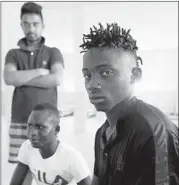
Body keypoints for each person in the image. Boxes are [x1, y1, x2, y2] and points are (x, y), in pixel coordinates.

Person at [80, 23, 179, 185]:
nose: (92, 84)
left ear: (135, 76)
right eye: (87, 75)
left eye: (106, 73)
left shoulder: (153, 131)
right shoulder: (102, 133)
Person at [3, 2, 64, 165]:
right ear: (21, 25)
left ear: (43, 25)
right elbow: (9, 78)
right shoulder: (13, 54)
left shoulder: (53, 52)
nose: (31, 29)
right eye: (26, 24)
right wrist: (38, 72)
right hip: (20, 121)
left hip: (47, 123)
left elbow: (56, 78)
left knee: (49, 167)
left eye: (35, 24)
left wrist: (21, 78)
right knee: (22, 168)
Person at [10, 103, 91, 185]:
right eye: (30, 126)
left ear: (56, 130)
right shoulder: (27, 147)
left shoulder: (72, 158)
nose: (33, 132)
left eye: (40, 127)